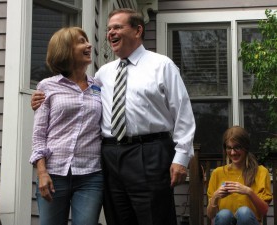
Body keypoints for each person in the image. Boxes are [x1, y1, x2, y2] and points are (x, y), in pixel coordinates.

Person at [31, 8, 195, 225]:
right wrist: (41, 101)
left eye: (117, 27)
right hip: (109, 156)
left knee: (155, 217)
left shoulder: (161, 65)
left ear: (138, 30)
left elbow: (183, 113)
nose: (110, 33)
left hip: (150, 152)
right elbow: (78, 103)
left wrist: (181, 158)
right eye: (108, 29)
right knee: (117, 217)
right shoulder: (102, 74)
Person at [29, 27, 103, 225]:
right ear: (65, 50)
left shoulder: (99, 86)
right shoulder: (47, 86)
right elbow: (39, 135)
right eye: (81, 41)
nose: (88, 45)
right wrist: (42, 172)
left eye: (87, 41)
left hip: (91, 174)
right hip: (54, 173)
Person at [207, 126, 272, 225]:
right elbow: (210, 215)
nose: (232, 153)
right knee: (224, 214)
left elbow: (264, 211)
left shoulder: (261, 172)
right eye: (229, 148)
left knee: (244, 212)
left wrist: (249, 192)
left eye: (237, 147)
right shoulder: (217, 173)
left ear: (245, 147)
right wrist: (215, 196)